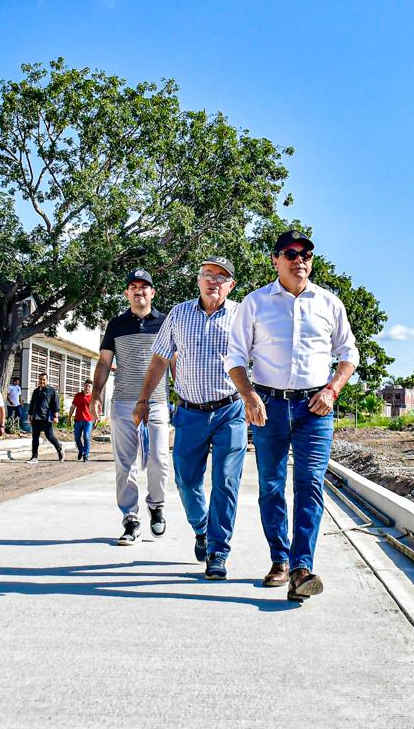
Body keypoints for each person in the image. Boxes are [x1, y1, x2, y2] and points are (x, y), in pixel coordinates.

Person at [226, 230, 358, 602]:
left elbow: (349, 353)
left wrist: (332, 389)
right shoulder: (254, 303)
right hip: (267, 406)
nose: (299, 259)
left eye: (306, 254)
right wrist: (249, 395)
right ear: (276, 260)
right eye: (290, 253)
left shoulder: (330, 304)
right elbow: (235, 356)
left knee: (310, 484)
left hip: (314, 409)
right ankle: (279, 560)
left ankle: (302, 567)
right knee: (270, 487)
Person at [134, 256, 245, 580]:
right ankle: (202, 528)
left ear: (231, 285)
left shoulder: (241, 316)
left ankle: (218, 551)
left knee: (226, 481)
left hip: (230, 411)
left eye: (221, 277)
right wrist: (143, 400)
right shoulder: (179, 314)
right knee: (186, 480)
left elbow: (261, 360)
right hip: (189, 412)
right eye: (207, 274)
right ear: (198, 280)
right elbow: (159, 360)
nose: (213, 281)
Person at [92, 268, 170, 546]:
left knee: (159, 459)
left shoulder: (166, 322)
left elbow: (174, 363)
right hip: (123, 402)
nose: (139, 291)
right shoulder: (115, 325)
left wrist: (184, 396)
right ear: (127, 293)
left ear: (153, 292)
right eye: (133, 287)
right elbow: (103, 362)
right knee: (126, 464)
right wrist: (96, 393)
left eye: (144, 286)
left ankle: (157, 505)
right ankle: (130, 519)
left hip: (157, 402)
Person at [27, 372, 64, 462]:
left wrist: (56, 415)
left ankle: (60, 449)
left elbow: (56, 403)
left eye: (44, 379)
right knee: (35, 437)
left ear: (47, 380)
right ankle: (34, 457)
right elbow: (32, 403)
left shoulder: (51, 390)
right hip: (36, 417)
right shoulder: (36, 391)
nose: (42, 381)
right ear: (38, 380)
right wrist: (29, 415)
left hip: (46, 418)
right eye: (40, 379)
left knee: (50, 436)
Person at [71, 379, 96, 461]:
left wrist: (96, 419)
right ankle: (81, 450)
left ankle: (86, 454)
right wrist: (69, 417)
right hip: (78, 420)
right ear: (83, 386)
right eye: (86, 386)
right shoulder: (78, 395)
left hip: (88, 421)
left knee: (86, 437)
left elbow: (94, 410)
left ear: (91, 388)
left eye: (89, 386)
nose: (87, 388)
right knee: (77, 438)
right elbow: (73, 407)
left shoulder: (92, 397)